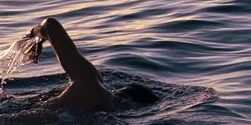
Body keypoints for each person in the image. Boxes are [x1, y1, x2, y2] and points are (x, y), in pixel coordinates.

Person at [19, 16, 154, 113]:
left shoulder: (90, 82)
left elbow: (50, 24)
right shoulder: (109, 112)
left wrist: (33, 36)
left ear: (123, 93)